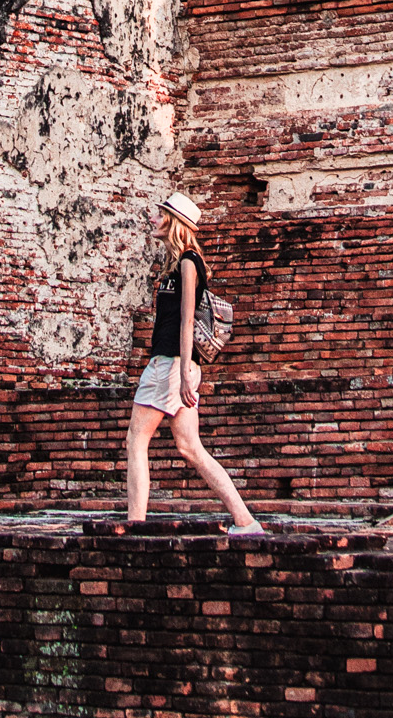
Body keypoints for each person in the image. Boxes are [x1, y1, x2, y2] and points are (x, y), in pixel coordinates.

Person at [125, 189, 263, 536]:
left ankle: (134, 528)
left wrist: (185, 371)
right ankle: (246, 522)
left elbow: (187, 320)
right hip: (175, 366)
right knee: (190, 448)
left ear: (174, 222)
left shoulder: (189, 262)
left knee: (136, 440)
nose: (153, 218)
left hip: (171, 365)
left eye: (160, 214)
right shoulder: (175, 264)